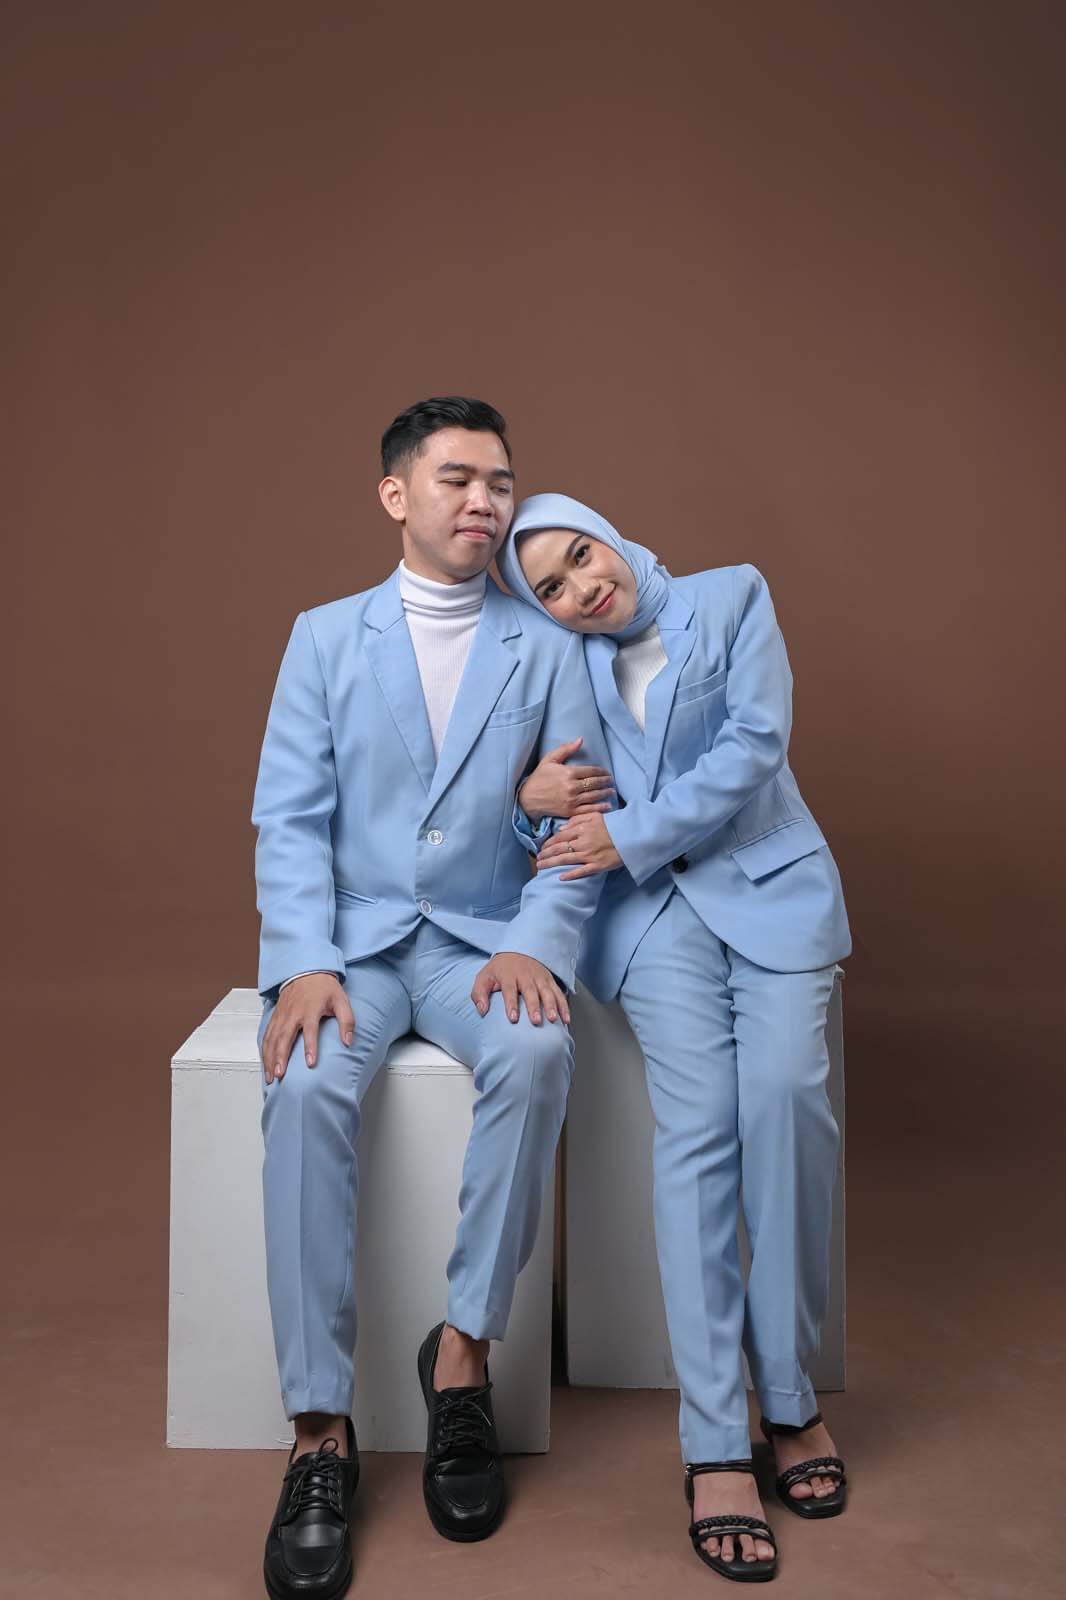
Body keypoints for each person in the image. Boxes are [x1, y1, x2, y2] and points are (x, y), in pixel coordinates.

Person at [251, 408, 609, 1599]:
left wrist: (539, 940)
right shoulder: (322, 636)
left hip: (479, 943)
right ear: (395, 495)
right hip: (351, 944)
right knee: (303, 1082)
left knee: (540, 1054)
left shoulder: (544, 644)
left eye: (501, 481)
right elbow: (289, 816)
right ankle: (318, 1429)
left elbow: (578, 818)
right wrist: (304, 958)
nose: (484, 501)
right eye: (456, 477)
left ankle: (461, 1359)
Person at [497, 494, 852, 1584]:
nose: (580, 588)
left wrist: (630, 832)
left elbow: (754, 745)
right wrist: (524, 797)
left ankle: (787, 1397)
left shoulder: (733, 597)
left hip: (773, 892)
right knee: (696, 1134)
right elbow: (543, 807)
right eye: (550, 588)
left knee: (785, 1103)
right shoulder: (560, 664)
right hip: (650, 924)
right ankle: (714, 1442)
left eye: (580, 555)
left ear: (607, 533)